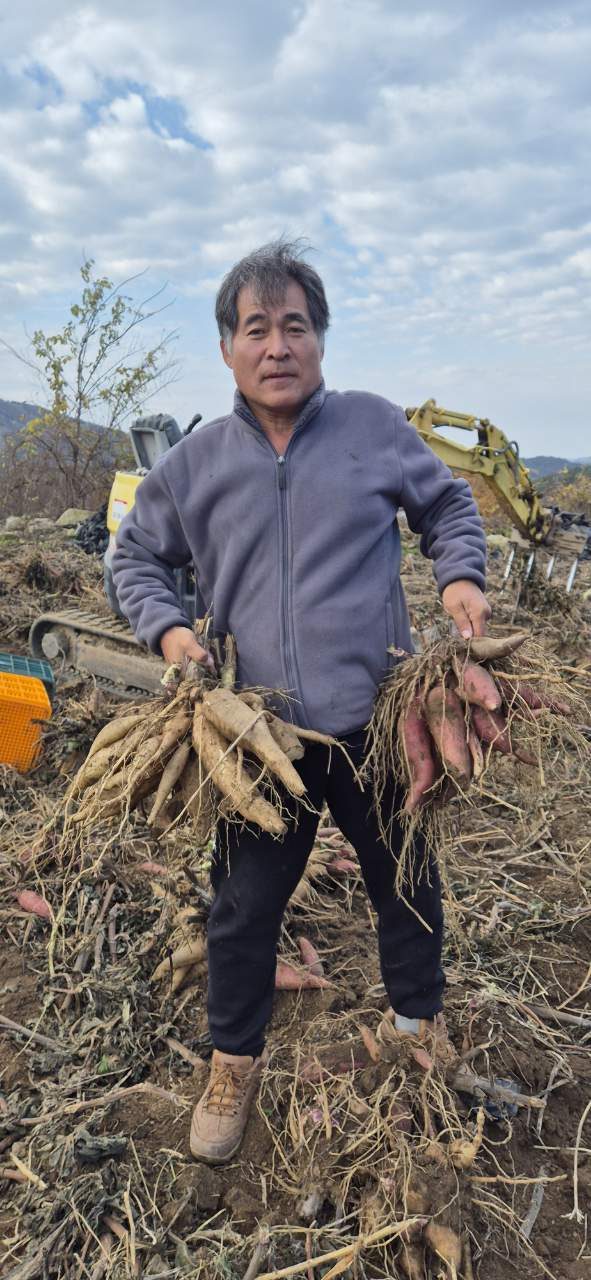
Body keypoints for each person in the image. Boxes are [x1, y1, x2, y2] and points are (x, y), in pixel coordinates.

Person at [112, 240, 490, 1165]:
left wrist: (459, 582)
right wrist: (168, 632)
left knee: (405, 875)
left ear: (319, 341)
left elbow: (447, 507)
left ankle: (415, 1029)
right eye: (256, 328)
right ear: (228, 350)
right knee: (241, 907)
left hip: (375, 717)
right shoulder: (196, 463)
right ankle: (232, 1064)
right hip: (259, 729)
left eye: (295, 326)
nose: (276, 345)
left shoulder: (370, 428)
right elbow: (132, 557)